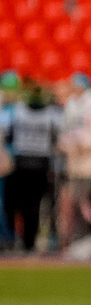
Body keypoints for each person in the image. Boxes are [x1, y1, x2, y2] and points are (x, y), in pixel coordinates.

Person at [4, 83, 63, 252]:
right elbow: (56, 138)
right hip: (39, 163)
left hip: (22, 162)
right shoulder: (51, 114)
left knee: (18, 205)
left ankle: (19, 240)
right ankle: (28, 241)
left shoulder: (17, 110)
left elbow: (8, 134)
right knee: (33, 206)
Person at [59, 73, 91, 247]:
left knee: (85, 203)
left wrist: (83, 144)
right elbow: (65, 132)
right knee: (75, 204)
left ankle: (88, 239)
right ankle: (77, 240)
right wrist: (66, 144)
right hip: (74, 165)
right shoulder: (72, 105)